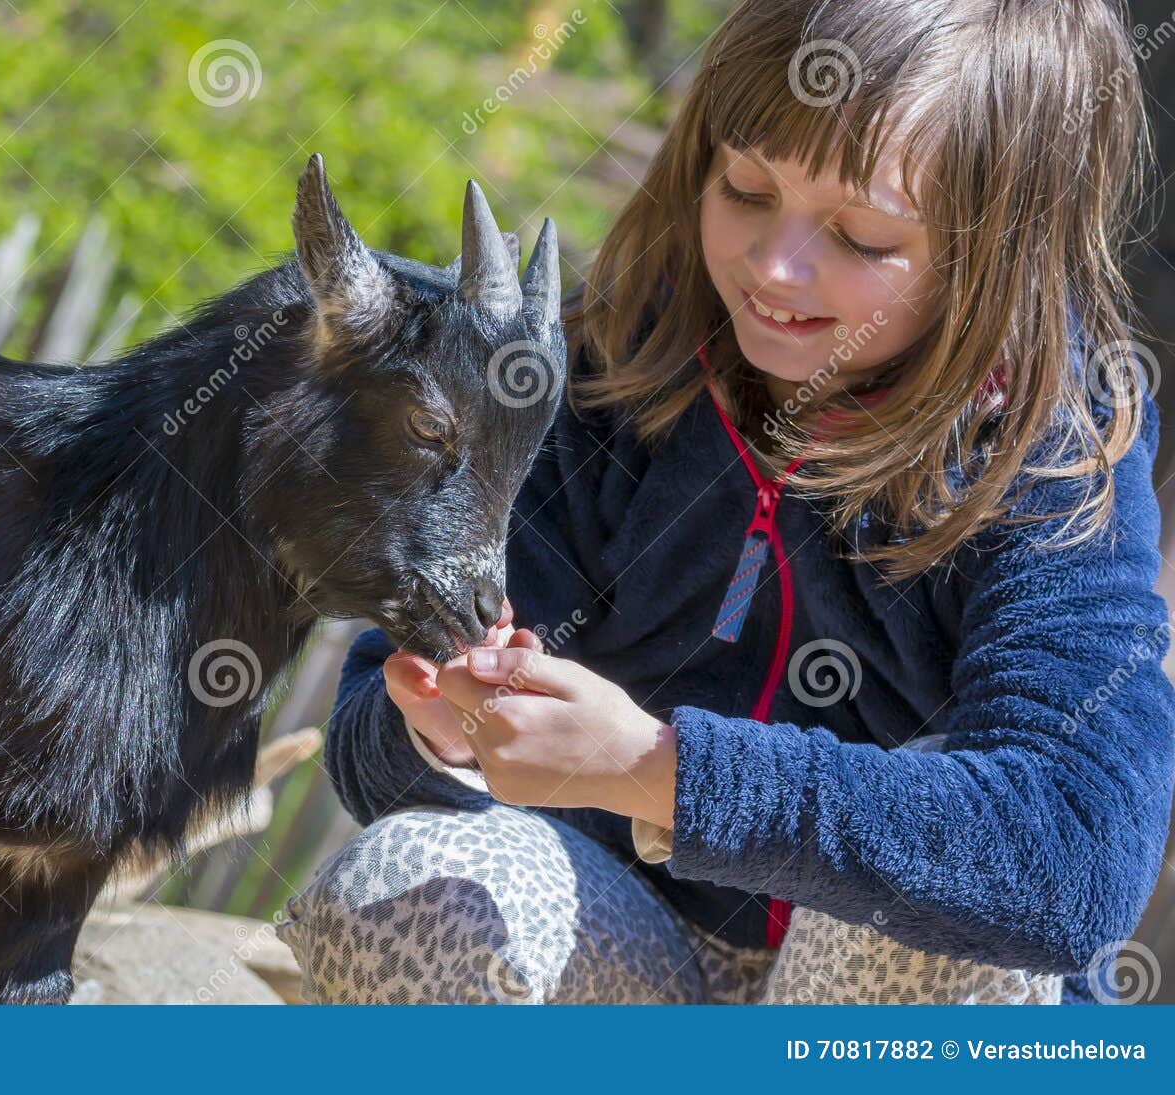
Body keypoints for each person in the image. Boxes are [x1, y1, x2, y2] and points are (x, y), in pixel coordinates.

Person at [275, 0, 1175, 1004]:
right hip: (638, 956)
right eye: (745, 186)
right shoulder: (599, 371)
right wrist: (442, 732)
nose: (774, 266)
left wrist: (657, 769)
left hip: (879, 1001)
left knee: (962, 909)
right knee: (405, 889)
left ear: (999, 253)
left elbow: (1072, 861)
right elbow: (370, 738)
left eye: (862, 236)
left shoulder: (1055, 457)